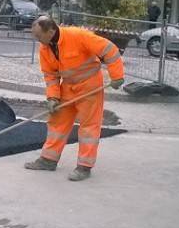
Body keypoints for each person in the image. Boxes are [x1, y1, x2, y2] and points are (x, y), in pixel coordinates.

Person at [25, 16, 124, 181]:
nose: (37, 39)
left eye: (38, 35)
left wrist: (117, 75)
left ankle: (84, 167)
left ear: (50, 31)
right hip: (68, 87)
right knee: (57, 121)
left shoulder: (77, 36)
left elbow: (109, 49)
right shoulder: (45, 48)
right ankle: (48, 160)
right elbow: (50, 76)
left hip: (90, 86)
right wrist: (53, 97)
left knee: (88, 127)